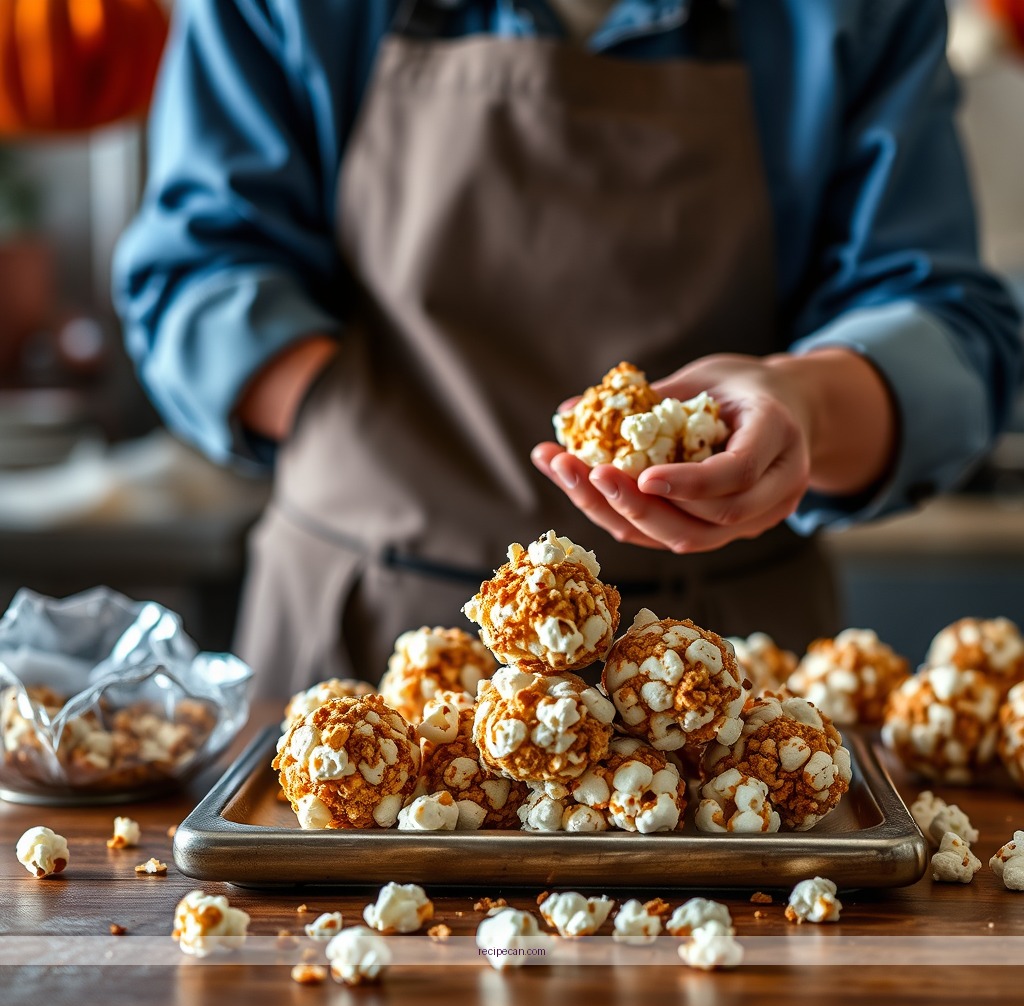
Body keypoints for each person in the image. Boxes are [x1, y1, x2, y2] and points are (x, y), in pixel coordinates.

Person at [114, 0, 1023, 698]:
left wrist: (804, 405)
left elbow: (948, 324)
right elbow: (196, 271)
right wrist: (349, 413)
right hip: (360, 635)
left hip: (718, 661)